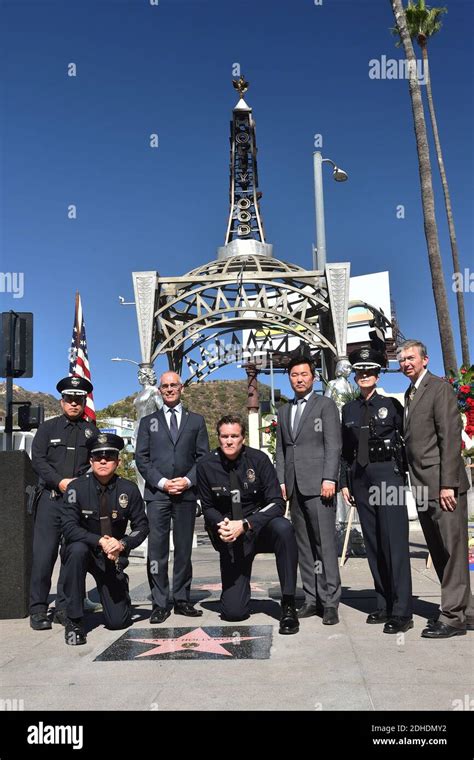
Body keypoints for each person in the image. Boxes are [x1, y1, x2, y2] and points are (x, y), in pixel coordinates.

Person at [397, 339, 474, 639]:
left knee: (453, 552)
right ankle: (465, 612)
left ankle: (452, 616)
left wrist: (447, 485)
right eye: (402, 359)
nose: (406, 363)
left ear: (425, 360)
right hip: (421, 487)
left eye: (411, 358)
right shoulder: (410, 394)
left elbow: (450, 438)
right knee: (441, 552)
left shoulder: (439, 388)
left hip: (443, 488)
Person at [197, 414, 299, 634]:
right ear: (218, 437)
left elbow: (276, 503)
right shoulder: (205, 465)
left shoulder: (259, 460)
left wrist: (246, 524)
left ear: (243, 438)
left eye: (234, 436)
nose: (229, 441)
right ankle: (236, 595)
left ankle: (288, 604)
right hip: (229, 534)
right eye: (224, 436)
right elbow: (207, 507)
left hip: (257, 528)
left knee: (284, 529)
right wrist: (222, 525)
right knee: (234, 613)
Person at [340, 348, 413, 634]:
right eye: (360, 371)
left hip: (388, 478)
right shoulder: (349, 410)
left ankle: (402, 611)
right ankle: (383, 604)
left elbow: (407, 441)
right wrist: (345, 482)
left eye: (369, 371)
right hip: (361, 480)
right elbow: (346, 452)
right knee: (373, 544)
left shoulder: (392, 406)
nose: (365, 375)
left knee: (393, 542)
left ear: (378, 374)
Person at [135, 371, 209, 623]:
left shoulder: (196, 421)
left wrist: (187, 481)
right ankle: (159, 602)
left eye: (173, 385)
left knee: (184, 549)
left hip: (186, 494)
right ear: (159, 389)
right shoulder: (148, 422)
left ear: (181, 388)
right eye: (164, 386)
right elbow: (141, 458)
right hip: (158, 495)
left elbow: (203, 458)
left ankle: (182, 598)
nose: (169, 389)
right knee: (157, 549)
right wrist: (164, 483)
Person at [61, 433, 149, 645]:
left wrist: (122, 544)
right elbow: (69, 528)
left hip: (111, 556)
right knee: (76, 550)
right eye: (98, 456)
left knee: (117, 622)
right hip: (85, 550)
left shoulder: (128, 489)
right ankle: (74, 620)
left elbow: (142, 526)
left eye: (109, 456)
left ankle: (120, 585)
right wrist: (100, 540)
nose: (103, 460)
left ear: (118, 461)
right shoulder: (76, 489)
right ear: (91, 460)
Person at [275, 351, 342, 625]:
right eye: (294, 375)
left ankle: (330, 602)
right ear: (289, 379)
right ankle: (311, 598)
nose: (299, 379)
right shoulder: (284, 410)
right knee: (304, 547)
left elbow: (333, 444)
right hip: (294, 487)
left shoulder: (325, 405)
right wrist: (281, 480)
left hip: (319, 486)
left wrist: (330, 478)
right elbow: (281, 449)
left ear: (313, 377)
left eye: (304, 374)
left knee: (324, 545)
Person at [29, 376, 98, 631]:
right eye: (69, 399)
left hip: (77, 506)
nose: (74, 403)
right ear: (62, 401)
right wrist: (59, 482)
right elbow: (38, 460)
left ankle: (64, 608)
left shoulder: (92, 431)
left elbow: (98, 463)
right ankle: (37, 609)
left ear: (84, 401)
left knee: (71, 555)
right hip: (50, 500)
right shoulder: (48, 429)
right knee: (44, 557)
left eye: (78, 399)